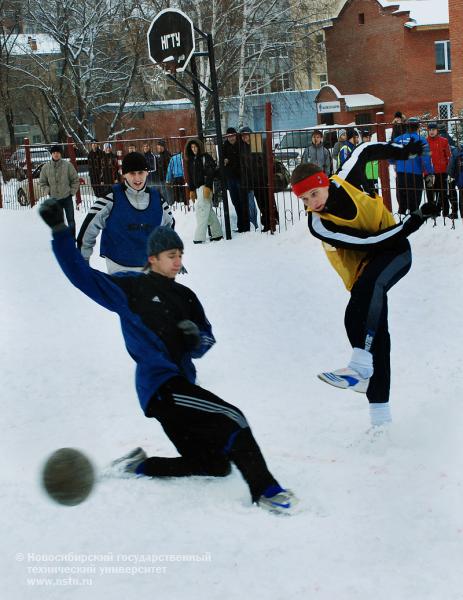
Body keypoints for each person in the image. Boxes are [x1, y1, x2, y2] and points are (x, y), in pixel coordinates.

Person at [39, 210, 298, 514]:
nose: (178, 261)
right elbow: (82, 277)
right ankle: (267, 492)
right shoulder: (130, 289)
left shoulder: (186, 296)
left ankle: (139, 466)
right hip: (162, 386)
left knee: (213, 465)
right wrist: (59, 232)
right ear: (152, 258)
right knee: (233, 419)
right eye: (171, 255)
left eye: (180, 254)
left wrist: (194, 341)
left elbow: (207, 339)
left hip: (180, 387)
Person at [290, 139, 440, 429]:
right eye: (304, 200)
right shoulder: (318, 224)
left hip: (396, 251)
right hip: (368, 261)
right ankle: (380, 419)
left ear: (324, 182)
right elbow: (366, 242)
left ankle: (360, 366)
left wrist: (401, 154)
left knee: (368, 298)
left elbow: (366, 151)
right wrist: (411, 222)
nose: (312, 203)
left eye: (314, 194)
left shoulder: (345, 178)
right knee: (361, 325)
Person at [77, 151, 174, 274]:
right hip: (119, 265)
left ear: (147, 173)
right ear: (124, 175)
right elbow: (90, 226)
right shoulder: (111, 197)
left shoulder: (157, 199)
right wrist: (83, 257)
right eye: (132, 173)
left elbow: (169, 227)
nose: (137, 178)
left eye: (140, 173)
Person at [184, 138, 223, 244]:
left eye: (195, 147)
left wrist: (208, 186)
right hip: (197, 189)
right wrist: (192, 189)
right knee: (207, 212)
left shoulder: (206, 157)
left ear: (199, 147)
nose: (193, 149)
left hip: (205, 187)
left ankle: (199, 237)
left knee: (201, 210)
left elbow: (211, 172)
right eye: (191, 147)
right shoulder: (191, 160)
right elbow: (190, 177)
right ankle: (217, 233)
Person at [239, 126, 278, 233]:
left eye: (246, 135)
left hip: (263, 177)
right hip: (253, 179)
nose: (245, 138)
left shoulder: (258, 143)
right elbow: (245, 164)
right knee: (261, 203)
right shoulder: (244, 148)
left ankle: (272, 221)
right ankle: (267, 222)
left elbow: (263, 160)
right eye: (243, 136)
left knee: (267, 201)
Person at [392, 117, 433, 215]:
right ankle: (413, 215)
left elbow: (390, 156)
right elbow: (426, 159)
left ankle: (401, 215)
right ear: (418, 127)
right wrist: (430, 172)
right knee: (414, 198)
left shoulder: (398, 139)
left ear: (406, 127)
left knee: (402, 197)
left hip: (401, 173)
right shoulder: (421, 141)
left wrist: (395, 163)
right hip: (416, 174)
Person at [39, 144, 79, 237]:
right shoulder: (46, 167)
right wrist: (48, 191)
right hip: (55, 201)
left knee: (71, 220)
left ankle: (72, 240)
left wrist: (71, 192)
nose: (56, 154)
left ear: (60, 154)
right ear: (51, 154)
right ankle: (62, 240)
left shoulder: (68, 165)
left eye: (57, 152)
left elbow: (75, 180)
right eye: (54, 153)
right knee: (58, 223)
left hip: (67, 198)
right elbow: (42, 182)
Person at [223, 127, 250, 232]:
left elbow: (244, 159)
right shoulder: (225, 146)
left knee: (243, 201)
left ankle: (246, 226)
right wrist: (224, 160)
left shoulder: (241, 144)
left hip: (241, 177)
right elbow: (222, 159)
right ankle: (240, 225)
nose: (231, 138)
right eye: (229, 136)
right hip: (230, 178)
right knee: (235, 202)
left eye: (232, 135)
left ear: (236, 135)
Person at [425, 122, 451, 217]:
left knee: (443, 193)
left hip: (442, 171)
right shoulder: (425, 142)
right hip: (429, 173)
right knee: (430, 194)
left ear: (437, 130)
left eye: (433, 130)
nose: (431, 132)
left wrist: (448, 170)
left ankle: (445, 212)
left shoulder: (444, 141)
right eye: (430, 130)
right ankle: (433, 213)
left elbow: (448, 156)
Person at [153, 140, 173, 206]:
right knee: (164, 192)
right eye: (158, 147)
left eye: (160, 147)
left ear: (163, 147)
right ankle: (167, 204)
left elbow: (169, 167)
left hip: (166, 177)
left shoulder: (167, 155)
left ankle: (170, 204)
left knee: (168, 192)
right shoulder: (160, 155)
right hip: (161, 177)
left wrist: (168, 177)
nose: (159, 149)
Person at [360, 130, 379, 196]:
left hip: (373, 175)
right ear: (363, 138)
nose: (368, 139)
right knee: (367, 195)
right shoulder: (360, 148)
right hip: (364, 176)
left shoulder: (372, 146)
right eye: (366, 137)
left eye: (369, 137)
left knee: (375, 194)